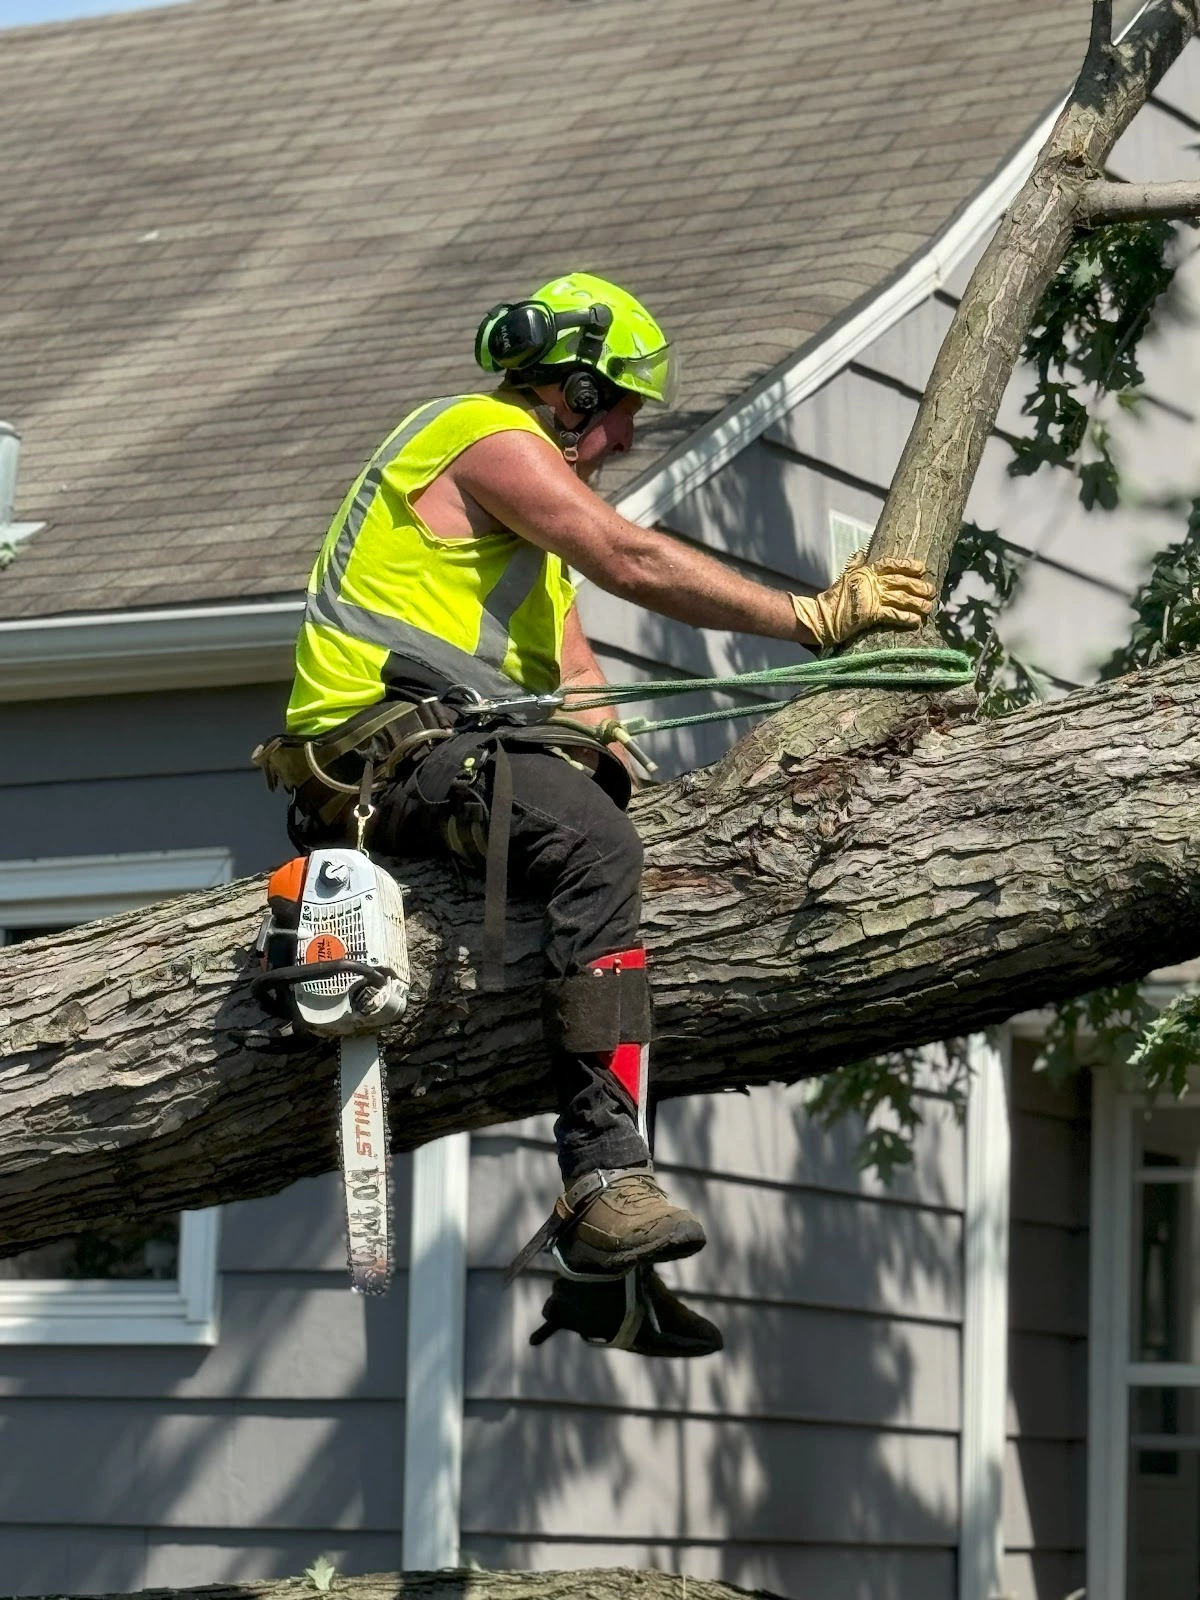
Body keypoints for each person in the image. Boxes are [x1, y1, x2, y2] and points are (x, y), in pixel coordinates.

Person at [259, 271, 935, 1356]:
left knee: (616, 828)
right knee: (590, 839)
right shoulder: (479, 436)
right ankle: (605, 1176)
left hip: (452, 747)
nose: (624, 435)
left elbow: (574, 680)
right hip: (377, 752)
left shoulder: (524, 546)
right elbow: (628, 553)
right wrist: (810, 615)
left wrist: (635, 775)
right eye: (617, 407)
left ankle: (599, 1268)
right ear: (570, 390)